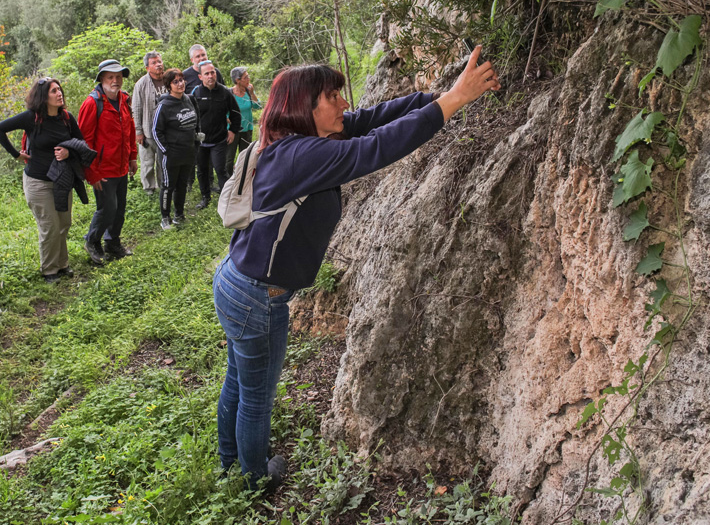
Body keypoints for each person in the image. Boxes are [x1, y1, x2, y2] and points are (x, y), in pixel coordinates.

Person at [213, 48, 500, 491]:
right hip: (257, 297)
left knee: (237, 379)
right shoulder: (302, 156)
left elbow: (370, 120)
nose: (344, 104)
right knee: (255, 396)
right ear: (306, 106)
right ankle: (250, 481)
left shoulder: (295, 142)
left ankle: (229, 463)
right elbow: (377, 149)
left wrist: (436, 96)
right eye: (333, 96)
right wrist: (455, 101)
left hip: (239, 282)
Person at [0, 78, 83, 283]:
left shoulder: (66, 118)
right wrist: (16, 155)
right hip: (38, 181)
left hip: (62, 179)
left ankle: (62, 264)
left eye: (60, 90)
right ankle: (49, 269)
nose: (59, 94)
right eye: (53, 91)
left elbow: (80, 142)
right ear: (43, 97)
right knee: (49, 224)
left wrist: (69, 152)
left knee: (64, 223)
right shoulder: (31, 118)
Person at [77, 59, 138, 265]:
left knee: (119, 207)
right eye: (111, 77)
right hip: (103, 169)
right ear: (101, 79)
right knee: (107, 208)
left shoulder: (124, 100)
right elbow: (84, 142)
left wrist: (132, 157)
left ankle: (112, 242)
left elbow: (130, 131)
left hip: (121, 165)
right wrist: (91, 172)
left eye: (119, 77)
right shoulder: (92, 103)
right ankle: (92, 241)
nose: (116, 81)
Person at [151, 68, 199, 230]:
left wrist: (196, 139)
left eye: (182, 80)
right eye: (176, 81)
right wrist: (166, 150)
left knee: (182, 184)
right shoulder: (164, 106)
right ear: (168, 85)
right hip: (171, 155)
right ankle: (165, 218)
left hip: (188, 151)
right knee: (168, 185)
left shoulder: (189, 99)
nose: (181, 84)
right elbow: (156, 131)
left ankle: (179, 214)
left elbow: (196, 122)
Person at [189, 60, 241, 209]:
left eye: (213, 72)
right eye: (207, 73)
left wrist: (232, 130)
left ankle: (227, 200)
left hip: (219, 139)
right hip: (200, 141)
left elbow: (236, 113)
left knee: (220, 169)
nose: (211, 76)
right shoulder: (195, 93)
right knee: (202, 171)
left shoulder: (225, 92)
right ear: (200, 77)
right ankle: (205, 198)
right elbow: (189, 115)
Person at [131, 51, 168, 196]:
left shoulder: (168, 79)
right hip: (147, 130)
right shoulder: (141, 84)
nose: (158, 65)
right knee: (147, 161)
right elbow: (136, 108)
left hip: (165, 130)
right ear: (147, 67)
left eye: (159, 61)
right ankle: (149, 188)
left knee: (162, 160)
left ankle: (162, 185)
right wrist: (138, 131)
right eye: (154, 63)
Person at [225, 66, 262, 177]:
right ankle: (228, 181)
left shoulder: (248, 91)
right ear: (238, 80)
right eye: (246, 77)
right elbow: (222, 110)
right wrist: (227, 120)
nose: (248, 79)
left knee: (246, 157)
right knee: (229, 159)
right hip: (232, 131)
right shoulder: (229, 93)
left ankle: (243, 179)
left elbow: (257, 106)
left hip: (247, 129)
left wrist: (252, 93)